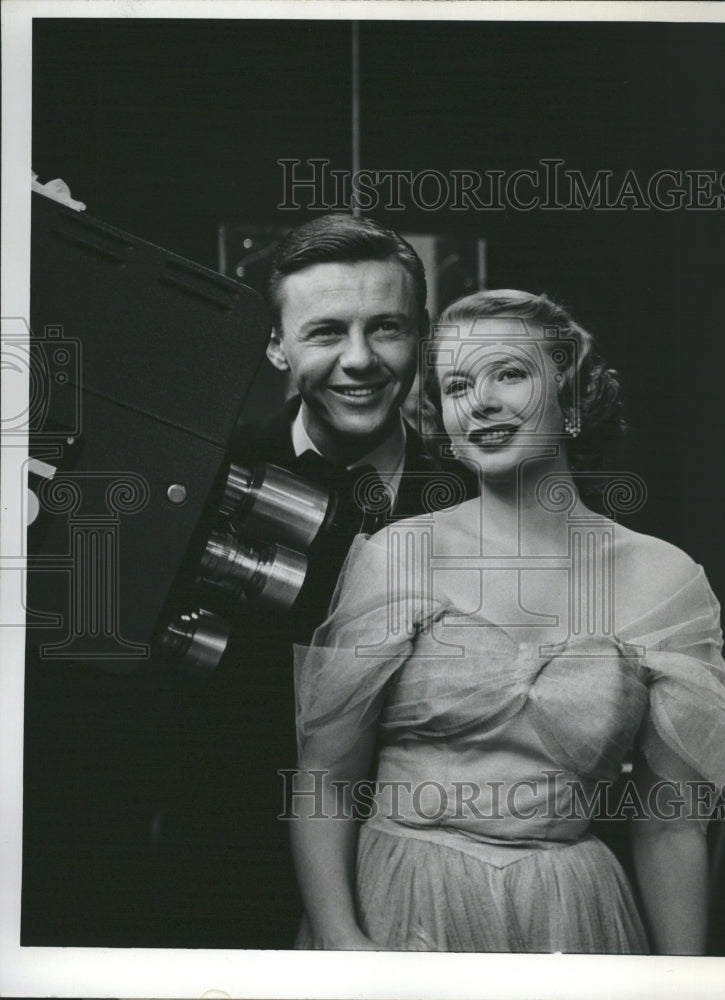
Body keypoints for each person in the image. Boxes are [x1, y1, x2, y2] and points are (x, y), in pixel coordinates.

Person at [289, 289, 725, 954]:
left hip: (573, 916)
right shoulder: (398, 554)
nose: (479, 401)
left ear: (571, 400)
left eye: (509, 373)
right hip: (396, 903)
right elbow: (324, 779)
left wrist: (684, 981)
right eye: (456, 385)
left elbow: (669, 825)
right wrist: (341, 939)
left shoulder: (666, 579)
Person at [164, 214, 474, 948]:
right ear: (276, 344)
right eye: (326, 331)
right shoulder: (197, 479)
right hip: (224, 880)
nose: (360, 359)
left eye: (387, 328)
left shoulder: (476, 499)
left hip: (428, 883)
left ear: (421, 336)